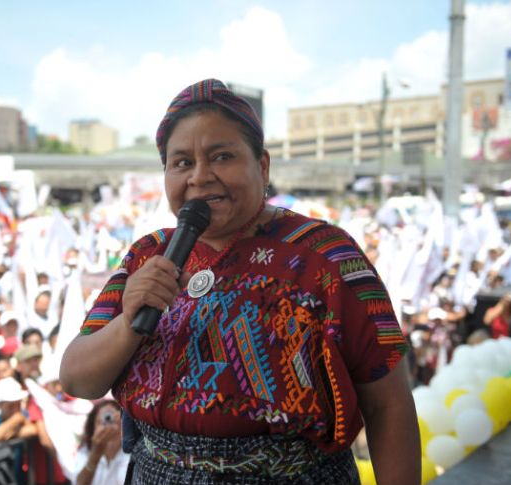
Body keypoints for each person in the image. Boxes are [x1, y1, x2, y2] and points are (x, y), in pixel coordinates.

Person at [61, 79, 420, 484]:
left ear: (262, 166)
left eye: (222, 156)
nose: (199, 176)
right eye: (181, 163)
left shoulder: (327, 255)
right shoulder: (148, 255)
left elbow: (388, 405)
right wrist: (128, 322)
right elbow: (77, 378)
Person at [74, 399, 130, 485]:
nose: (108, 424)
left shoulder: (132, 453)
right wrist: (95, 456)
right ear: (93, 428)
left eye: (112, 418)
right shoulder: (86, 451)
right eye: (102, 421)